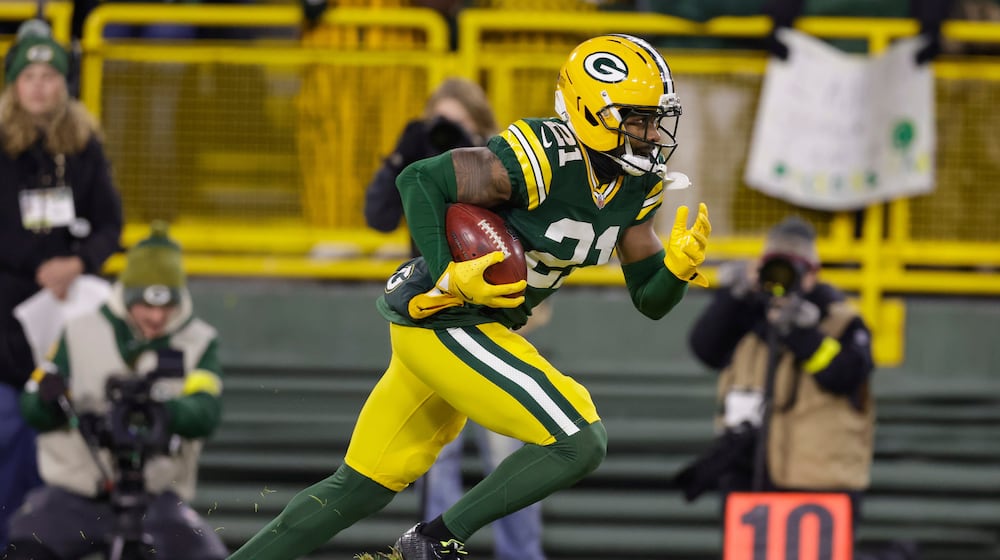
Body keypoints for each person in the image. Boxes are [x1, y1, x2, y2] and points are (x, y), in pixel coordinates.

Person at [228, 33, 711, 560]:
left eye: (655, 117)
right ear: (592, 113)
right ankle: (436, 540)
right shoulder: (543, 157)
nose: (651, 132)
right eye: (637, 118)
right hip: (448, 317)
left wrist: (677, 270)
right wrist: (446, 276)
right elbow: (417, 180)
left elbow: (649, 298)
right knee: (579, 437)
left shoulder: (641, 185)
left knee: (358, 487)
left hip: (468, 328)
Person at [365, 76, 547, 560]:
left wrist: (473, 153)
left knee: (509, 453)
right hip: (434, 325)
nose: (445, 133)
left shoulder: (502, 166)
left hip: (492, 325)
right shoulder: (421, 165)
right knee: (437, 460)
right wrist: (401, 156)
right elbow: (378, 218)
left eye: (459, 125)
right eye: (439, 123)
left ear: (481, 126)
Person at [5, 222, 229, 560]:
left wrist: (164, 413)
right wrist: (50, 402)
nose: (156, 317)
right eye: (145, 305)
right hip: (77, 494)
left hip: (155, 499)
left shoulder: (198, 341)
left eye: (165, 306)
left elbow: (206, 412)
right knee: (24, 544)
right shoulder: (79, 331)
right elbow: (33, 405)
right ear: (127, 294)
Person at [679, 216, 878, 545]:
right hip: (747, 475)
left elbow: (847, 375)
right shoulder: (747, 313)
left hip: (818, 485)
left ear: (814, 271)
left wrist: (801, 332)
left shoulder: (842, 320)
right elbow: (705, 349)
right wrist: (734, 297)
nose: (782, 276)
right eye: (774, 266)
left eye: (794, 267)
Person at [0, 19, 123, 548]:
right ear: (13, 85)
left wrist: (76, 263)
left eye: (50, 75)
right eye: (29, 76)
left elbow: (110, 223)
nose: (40, 85)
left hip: (69, 317)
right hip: (7, 316)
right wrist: (39, 266)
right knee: (10, 431)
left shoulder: (84, 147)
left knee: (60, 441)